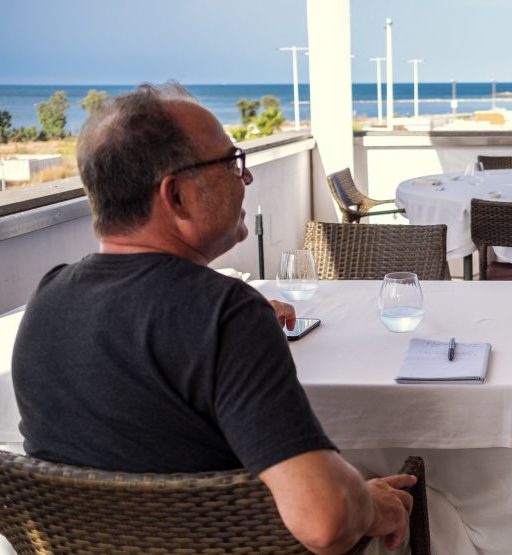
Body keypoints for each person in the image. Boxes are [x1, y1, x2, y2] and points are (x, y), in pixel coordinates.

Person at [12, 83, 415, 554]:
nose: (244, 179)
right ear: (177, 196)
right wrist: (370, 504)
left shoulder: (48, 299)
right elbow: (323, 523)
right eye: (230, 163)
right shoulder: (226, 314)